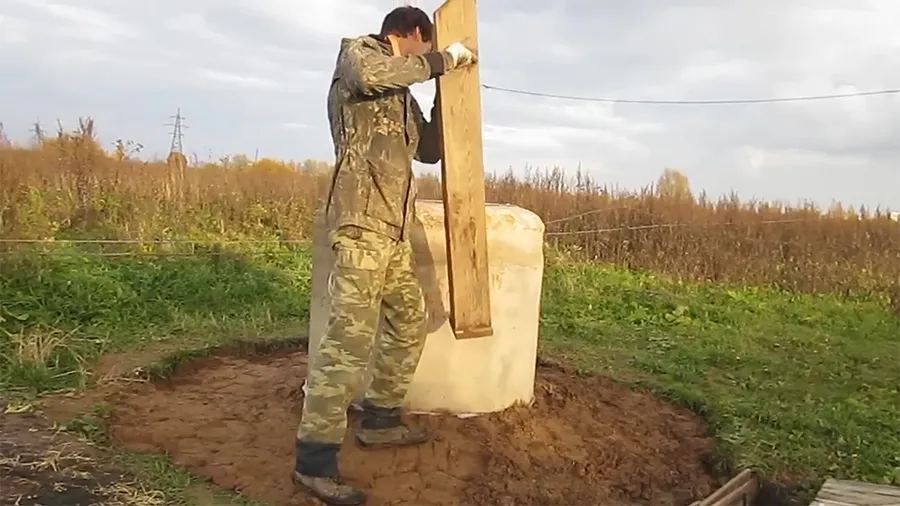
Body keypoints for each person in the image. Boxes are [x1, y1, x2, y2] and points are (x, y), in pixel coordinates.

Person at [292, 6, 477, 506]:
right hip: (361, 222)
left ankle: (380, 420)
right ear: (414, 34)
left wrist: (445, 94)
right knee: (347, 343)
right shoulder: (360, 54)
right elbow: (370, 75)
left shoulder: (403, 92)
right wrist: (443, 61)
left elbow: (429, 151)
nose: (426, 53)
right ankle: (313, 463)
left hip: (394, 231)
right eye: (426, 45)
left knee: (410, 321)